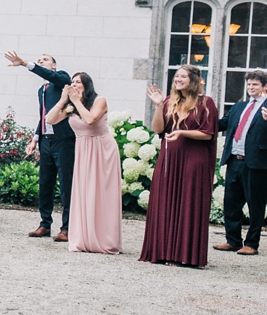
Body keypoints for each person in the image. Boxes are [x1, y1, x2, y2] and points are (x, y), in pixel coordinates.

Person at [139, 65, 219, 267]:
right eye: (176, 76)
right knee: (165, 202)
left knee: (187, 204)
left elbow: (208, 133)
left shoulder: (206, 103)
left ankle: (184, 255)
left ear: (193, 80)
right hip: (169, 159)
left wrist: (182, 132)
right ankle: (163, 251)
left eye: (183, 76)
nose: (178, 79)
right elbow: (159, 129)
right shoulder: (168, 101)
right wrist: (158, 106)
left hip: (194, 159)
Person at [46, 72, 122, 254]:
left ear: (87, 84)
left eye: (78, 82)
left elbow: (90, 119)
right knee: (84, 192)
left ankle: (105, 239)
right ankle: (83, 237)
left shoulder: (99, 100)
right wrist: (64, 100)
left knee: (102, 193)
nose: (74, 84)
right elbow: (49, 119)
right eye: (72, 82)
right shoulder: (71, 105)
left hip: (102, 150)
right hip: (83, 150)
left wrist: (76, 101)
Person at [5, 51, 74, 242]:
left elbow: (51, 76)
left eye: (46, 60)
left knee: (66, 184)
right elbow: (43, 116)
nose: (42, 61)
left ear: (54, 65)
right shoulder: (41, 90)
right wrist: (35, 139)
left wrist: (27, 64)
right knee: (45, 183)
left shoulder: (62, 80)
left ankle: (67, 227)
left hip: (63, 140)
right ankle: (45, 224)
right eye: (40, 59)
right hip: (46, 141)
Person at [214, 70, 267, 256]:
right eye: (249, 84)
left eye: (255, 85)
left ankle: (252, 243)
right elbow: (220, 124)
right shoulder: (239, 107)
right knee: (231, 203)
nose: (251, 87)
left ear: (265, 87)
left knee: (256, 205)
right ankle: (233, 240)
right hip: (234, 161)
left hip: (257, 164)